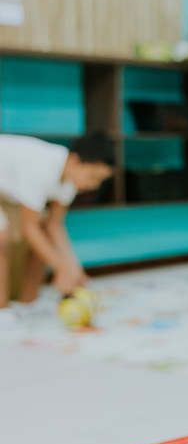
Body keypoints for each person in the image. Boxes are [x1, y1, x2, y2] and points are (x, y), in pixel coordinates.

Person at [0, 133, 114, 329]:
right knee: (2, 237)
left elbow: (54, 226)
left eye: (100, 180)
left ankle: (29, 302)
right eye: (93, 176)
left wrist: (73, 269)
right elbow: (30, 227)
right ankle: (1, 309)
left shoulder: (69, 179)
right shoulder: (40, 169)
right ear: (74, 160)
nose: (94, 185)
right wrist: (62, 268)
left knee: (44, 235)